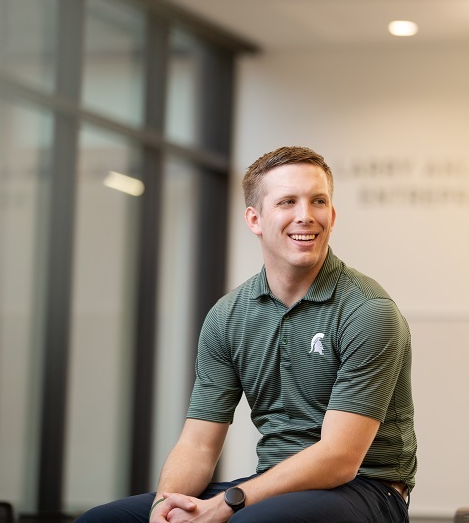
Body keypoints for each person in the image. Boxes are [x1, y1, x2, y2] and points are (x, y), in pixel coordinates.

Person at [76, 146, 417, 523]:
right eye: (287, 202)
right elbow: (198, 445)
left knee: (246, 521)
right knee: (103, 521)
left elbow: (339, 459)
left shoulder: (367, 311)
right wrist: (164, 508)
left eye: (317, 201)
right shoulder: (228, 316)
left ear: (332, 215)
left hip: (369, 490)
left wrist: (224, 505)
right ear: (254, 220)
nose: (305, 216)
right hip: (269, 485)